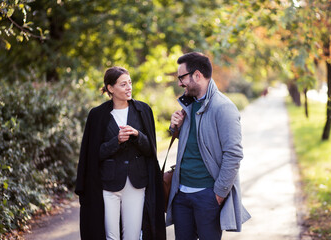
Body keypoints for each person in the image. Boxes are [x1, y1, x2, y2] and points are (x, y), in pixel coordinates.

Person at [165, 52, 251, 240]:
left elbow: (234, 154)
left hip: (207, 196)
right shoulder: (189, 104)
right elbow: (196, 142)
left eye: (182, 77)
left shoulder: (224, 108)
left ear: (197, 75)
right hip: (181, 195)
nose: (180, 83)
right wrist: (174, 128)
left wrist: (218, 194)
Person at [75, 66, 166, 240]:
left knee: (132, 236)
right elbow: (94, 154)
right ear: (110, 88)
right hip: (108, 185)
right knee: (111, 236)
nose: (129, 87)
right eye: (123, 84)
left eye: (129, 83)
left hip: (136, 183)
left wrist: (138, 135)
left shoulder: (143, 110)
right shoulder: (97, 115)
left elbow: (150, 151)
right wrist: (116, 141)